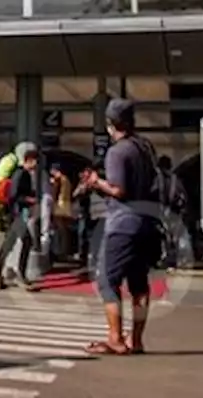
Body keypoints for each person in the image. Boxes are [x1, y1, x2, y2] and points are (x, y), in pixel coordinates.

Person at [80, 98, 160, 356]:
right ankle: (136, 340)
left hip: (123, 225)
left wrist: (96, 182)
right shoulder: (145, 147)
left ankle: (115, 338)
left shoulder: (118, 151)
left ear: (111, 124)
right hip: (147, 223)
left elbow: (118, 189)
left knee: (107, 281)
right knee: (139, 285)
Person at [0, 142, 39, 289]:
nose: (36, 163)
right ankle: (21, 274)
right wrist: (29, 199)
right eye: (34, 160)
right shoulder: (21, 174)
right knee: (26, 240)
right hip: (16, 213)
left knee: (9, 243)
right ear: (27, 160)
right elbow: (14, 195)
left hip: (16, 213)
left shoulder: (24, 174)